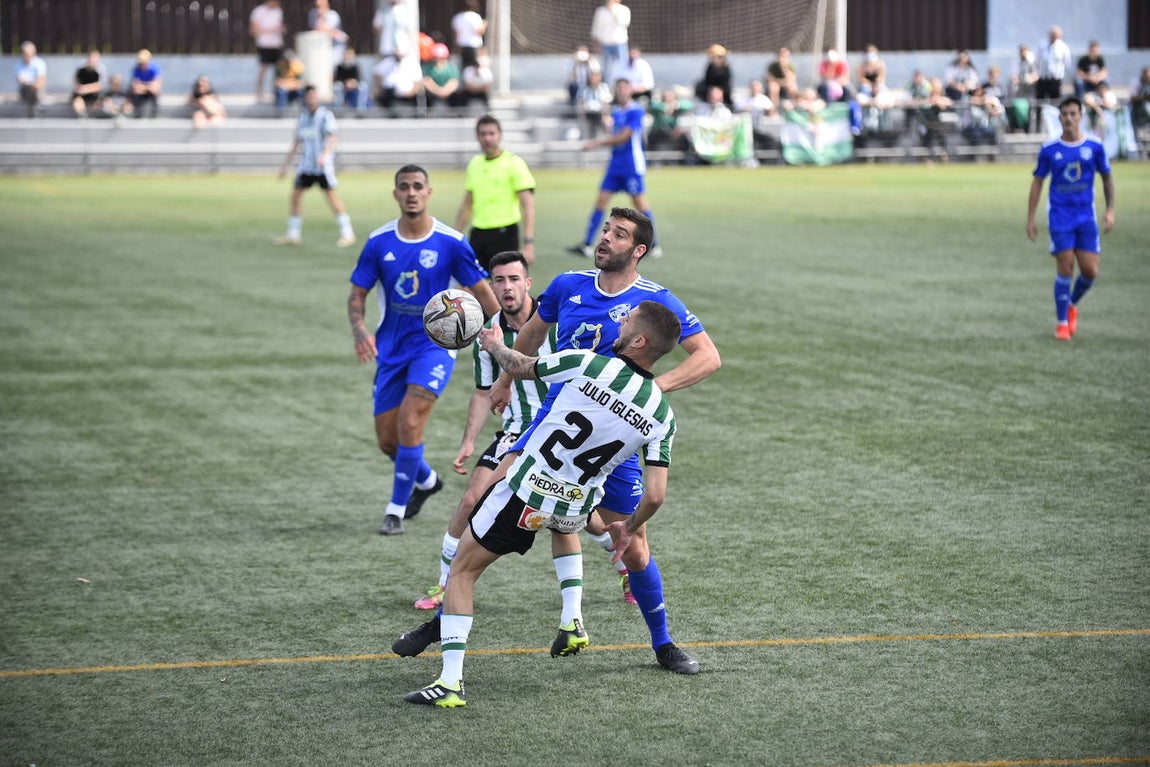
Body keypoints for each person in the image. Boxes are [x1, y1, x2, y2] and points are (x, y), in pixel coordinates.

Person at [395, 207, 720, 678]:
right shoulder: (568, 284)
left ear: (639, 250)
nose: (605, 238)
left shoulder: (655, 301)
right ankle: (444, 623)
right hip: (551, 423)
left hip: (614, 443)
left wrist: (647, 391)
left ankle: (663, 643)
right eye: (605, 230)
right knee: (488, 501)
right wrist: (506, 378)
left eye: (618, 234)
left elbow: (708, 356)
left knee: (634, 547)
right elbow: (532, 333)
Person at [399, 299, 684, 707]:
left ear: (639, 341)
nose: (620, 321)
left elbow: (519, 366)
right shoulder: (662, 415)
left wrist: (492, 343)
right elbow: (656, 494)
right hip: (574, 509)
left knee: (461, 573)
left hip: (526, 492)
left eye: (628, 320)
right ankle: (571, 618)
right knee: (562, 531)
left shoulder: (589, 364)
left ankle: (449, 683)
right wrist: (628, 526)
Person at [347, 165, 499, 535]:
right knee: (388, 441)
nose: (411, 192)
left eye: (418, 186)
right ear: (396, 194)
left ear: (428, 192)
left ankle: (395, 511)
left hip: (434, 348)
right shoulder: (379, 242)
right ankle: (428, 481)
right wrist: (360, 329)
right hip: (391, 348)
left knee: (410, 420)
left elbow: (482, 291)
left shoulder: (451, 242)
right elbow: (357, 294)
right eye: (404, 187)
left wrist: (504, 334)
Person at [1026, 97, 1115, 341]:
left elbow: (1107, 177)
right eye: (1064, 114)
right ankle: (1062, 323)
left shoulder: (1094, 147)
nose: (1069, 118)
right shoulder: (1050, 149)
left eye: (1073, 113)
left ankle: (1071, 304)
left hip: (1086, 216)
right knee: (1065, 267)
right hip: (1060, 216)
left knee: (1090, 272)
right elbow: (1037, 183)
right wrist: (1031, 218)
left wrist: (1110, 210)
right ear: (1059, 117)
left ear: (1081, 116)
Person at [567, 79, 662, 259]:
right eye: (618, 88)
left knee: (641, 205)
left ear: (630, 91)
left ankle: (654, 245)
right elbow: (614, 134)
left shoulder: (636, 111)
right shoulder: (616, 111)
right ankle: (587, 243)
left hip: (631, 165)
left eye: (624, 88)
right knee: (600, 202)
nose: (621, 91)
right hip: (615, 164)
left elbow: (624, 137)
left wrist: (596, 142)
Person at [274, 85, 357, 249]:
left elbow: (332, 138)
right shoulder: (302, 118)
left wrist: (324, 154)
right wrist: (285, 166)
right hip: (306, 166)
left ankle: (348, 234)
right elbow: (296, 143)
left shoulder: (325, 116)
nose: (312, 99)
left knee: (332, 198)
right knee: (295, 197)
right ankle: (293, 234)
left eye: (314, 95)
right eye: (309, 96)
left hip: (322, 167)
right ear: (305, 98)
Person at [454, 115, 537, 270]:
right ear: (477, 136)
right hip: (478, 233)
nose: (487, 138)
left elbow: (528, 205)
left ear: (500, 135)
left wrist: (529, 243)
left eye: (491, 133)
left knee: (503, 281)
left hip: (504, 233)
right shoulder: (475, 164)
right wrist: (455, 236)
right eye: (483, 134)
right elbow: (467, 204)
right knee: (474, 282)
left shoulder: (514, 163)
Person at [249, 0, 286, 103]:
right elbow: (253, 30)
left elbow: (279, 26)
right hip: (264, 44)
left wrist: (281, 30)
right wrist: (271, 30)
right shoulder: (258, 11)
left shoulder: (278, 11)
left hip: (276, 44)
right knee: (263, 69)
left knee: (278, 71)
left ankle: (276, 93)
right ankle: (259, 94)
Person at [590, 0, 630, 85]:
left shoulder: (624, 10)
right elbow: (596, 28)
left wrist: (613, 10)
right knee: (606, 68)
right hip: (605, 44)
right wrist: (595, 43)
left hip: (620, 43)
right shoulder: (600, 11)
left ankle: (622, 86)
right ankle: (606, 86)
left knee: (622, 66)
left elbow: (624, 23)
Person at [1036, 25, 1071, 102]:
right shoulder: (1042, 45)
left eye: (1056, 34)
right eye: (1052, 34)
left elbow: (1067, 63)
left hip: (1056, 79)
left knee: (1055, 100)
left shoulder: (1063, 47)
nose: (1054, 36)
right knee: (1040, 100)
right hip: (1043, 78)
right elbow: (1037, 59)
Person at [422, 43, 462, 110]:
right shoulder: (428, 68)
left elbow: (454, 82)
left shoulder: (451, 67)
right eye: (436, 57)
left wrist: (445, 91)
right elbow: (426, 81)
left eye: (441, 58)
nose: (438, 60)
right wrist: (438, 91)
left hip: (450, 98)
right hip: (432, 97)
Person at [309, 0, 349, 66]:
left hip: (335, 47)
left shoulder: (333, 15)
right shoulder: (313, 13)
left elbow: (324, 30)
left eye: (322, 5)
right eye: (317, 6)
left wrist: (322, 17)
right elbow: (315, 29)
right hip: (321, 47)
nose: (319, 8)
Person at [451, 0, 487, 72]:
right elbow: (479, 31)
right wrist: (484, 25)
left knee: (464, 68)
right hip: (474, 46)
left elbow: (455, 34)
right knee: (475, 69)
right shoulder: (475, 16)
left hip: (461, 46)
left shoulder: (457, 17)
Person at [127, 49, 163, 118]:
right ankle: (138, 112)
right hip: (143, 91)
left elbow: (157, 84)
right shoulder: (136, 69)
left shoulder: (154, 68)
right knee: (134, 92)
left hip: (150, 91)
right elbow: (135, 85)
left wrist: (144, 87)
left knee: (155, 91)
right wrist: (147, 87)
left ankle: (154, 113)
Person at [15, 41, 47, 118]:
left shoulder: (40, 63)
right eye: (25, 54)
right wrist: (32, 84)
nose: (27, 56)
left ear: (34, 53)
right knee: (30, 90)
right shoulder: (18, 64)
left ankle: (33, 109)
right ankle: (33, 109)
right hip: (25, 90)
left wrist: (30, 84)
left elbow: (41, 82)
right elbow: (20, 80)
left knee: (34, 90)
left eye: (29, 54)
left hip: (37, 91)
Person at [71, 50, 107, 119]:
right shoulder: (81, 70)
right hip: (82, 95)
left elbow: (100, 85)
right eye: (90, 58)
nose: (92, 61)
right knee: (77, 100)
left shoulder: (100, 70)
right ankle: (82, 116)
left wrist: (86, 89)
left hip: (95, 95)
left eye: (94, 59)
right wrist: (80, 89)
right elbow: (76, 83)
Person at [765, 47, 798, 116]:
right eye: (781, 56)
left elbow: (791, 79)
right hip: (777, 84)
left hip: (786, 84)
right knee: (773, 87)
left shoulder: (790, 66)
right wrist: (781, 82)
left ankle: (795, 108)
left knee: (792, 87)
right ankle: (773, 110)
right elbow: (770, 79)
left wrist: (784, 68)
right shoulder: (773, 66)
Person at [274, 49, 305, 115]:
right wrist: (287, 84)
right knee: (281, 92)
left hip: (295, 89)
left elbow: (301, 83)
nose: (288, 62)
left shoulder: (298, 66)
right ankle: (280, 112)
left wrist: (289, 85)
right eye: (286, 60)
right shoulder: (280, 66)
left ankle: (304, 112)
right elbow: (277, 81)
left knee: (302, 92)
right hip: (284, 89)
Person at [333, 47, 363, 113]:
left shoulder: (356, 66)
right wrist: (346, 83)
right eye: (347, 54)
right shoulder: (339, 66)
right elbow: (338, 78)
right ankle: (338, 110)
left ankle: (361, 110)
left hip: (354, 85)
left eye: (350, 54)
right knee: (337, 86)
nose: (348, 56)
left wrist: (354, 83)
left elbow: (359, 78)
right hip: (343, 85)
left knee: (363, 87)